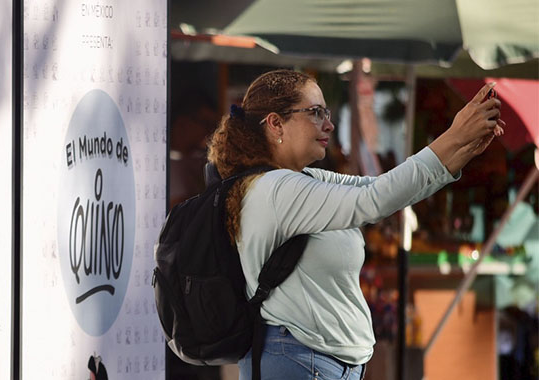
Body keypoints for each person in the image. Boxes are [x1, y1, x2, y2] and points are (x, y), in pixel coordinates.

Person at [205, 69, 504, 380]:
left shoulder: (300, 180)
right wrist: (454, 136)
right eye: (315, 112)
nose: (329, 124)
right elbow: (376, 199)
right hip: (298, 363)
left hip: (312, 363)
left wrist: (460, 151)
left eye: (327, 112)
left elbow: (384, 188)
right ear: (275, 123)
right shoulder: (276, 189)